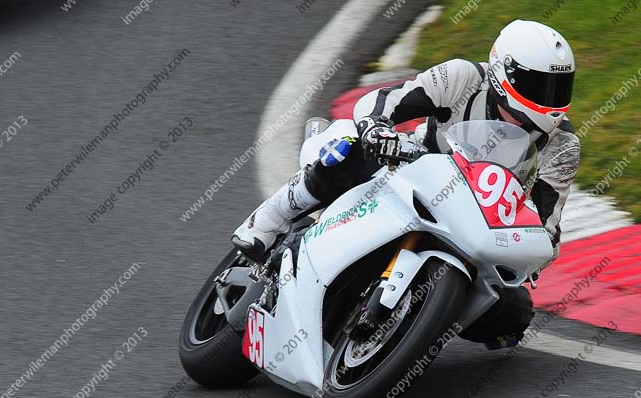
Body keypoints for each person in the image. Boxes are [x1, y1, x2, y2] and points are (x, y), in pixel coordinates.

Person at [233, 19, 580, 347]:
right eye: (540, 86)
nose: (550, 99)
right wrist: (376, 128)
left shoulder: (563, 146)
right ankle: (268, 219)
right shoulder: (463, 77)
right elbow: (383, 102)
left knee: (515, 313)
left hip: (474, 225)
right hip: (411, 171)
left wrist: (527, 247)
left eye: (558, 88)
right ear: (505, 73)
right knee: (348, 150)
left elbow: (547, 229)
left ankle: (413, 326)